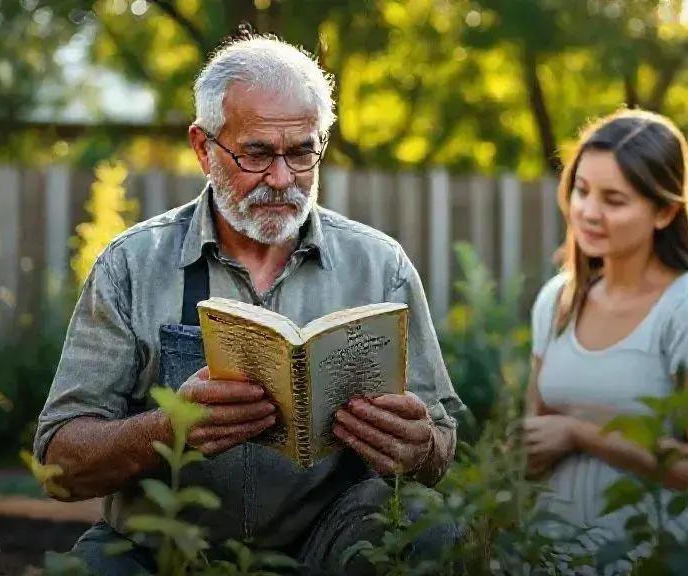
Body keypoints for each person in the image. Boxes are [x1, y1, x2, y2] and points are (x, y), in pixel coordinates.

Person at [33, 34, 464, 576]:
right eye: (257, 153)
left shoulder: (380, 266)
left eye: (303, 151)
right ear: (202, 146)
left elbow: (442, 442)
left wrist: (419, 447)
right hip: (158, 552)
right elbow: (58, 463)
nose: (282, 179)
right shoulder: (131, 265)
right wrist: (167, 430)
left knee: (426, 521)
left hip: (324, 550)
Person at [522, 109, 688, 575]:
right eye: (581, 190)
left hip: (663, 554)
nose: (588, 211)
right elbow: (534, 440)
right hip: (555, 554)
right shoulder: (557, 302)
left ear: (665, 211)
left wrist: (582, 432)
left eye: (614, 199)